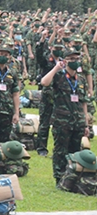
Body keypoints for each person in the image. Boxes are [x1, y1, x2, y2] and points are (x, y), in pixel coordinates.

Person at [41, 47, 90, 186]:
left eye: (77, 59)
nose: (75, 62)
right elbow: (44, 82)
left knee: (75, 151)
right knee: (60, 151)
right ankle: (59, 177)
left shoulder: (80, 80)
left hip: (78, 121)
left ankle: (72, 177)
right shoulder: (59, 76)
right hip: (62, 121)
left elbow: (83, 102)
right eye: (72, 59)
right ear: (65, 61)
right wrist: (56, 68)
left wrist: (85, 123)